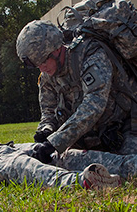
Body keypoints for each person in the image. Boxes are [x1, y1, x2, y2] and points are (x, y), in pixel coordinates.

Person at [16, 20, 137, 164]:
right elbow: (49, 112)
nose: (42, 69)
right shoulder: (47, 77)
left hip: (124, 128)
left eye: (43, 61)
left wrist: (55, 141)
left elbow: (93, 106)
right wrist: (46, 131)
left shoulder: (91, 55)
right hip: (89, 138)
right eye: (37, 65)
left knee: (129, 165)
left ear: (56, 49)